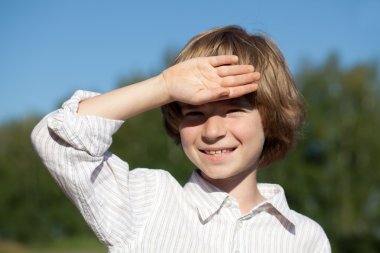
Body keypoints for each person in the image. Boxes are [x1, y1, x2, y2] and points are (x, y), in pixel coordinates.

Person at [31, 25, 331, 252]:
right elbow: (56, 139)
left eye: (233, 110)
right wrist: (165, 86)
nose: (212, 131)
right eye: (194, 113)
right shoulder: (148, 203)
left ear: (269, 117)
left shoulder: (305, 238)